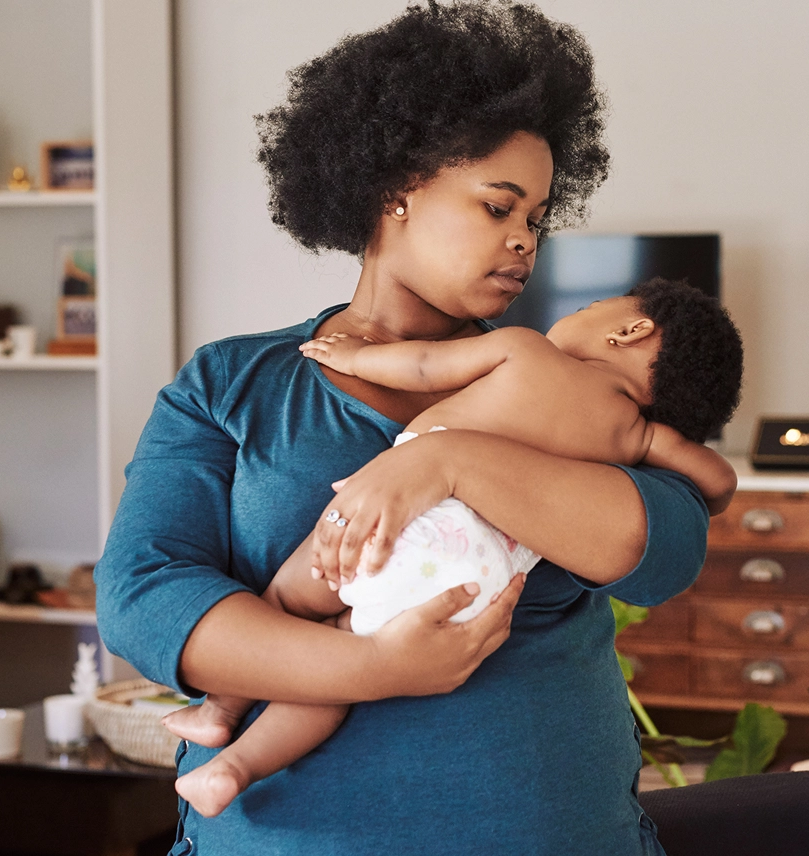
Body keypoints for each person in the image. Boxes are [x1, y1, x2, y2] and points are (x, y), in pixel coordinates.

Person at [95, 0, 728, 855]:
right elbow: (143, 597)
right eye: (498, 207)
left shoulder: (562, 389)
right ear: (396, 189)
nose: (525, 241)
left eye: (537, 218)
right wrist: (374, 668)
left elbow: (665, 548)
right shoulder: (232, 381)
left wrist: (451, 462)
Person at [164, 276, 743, 818]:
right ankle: (234, 769)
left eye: (592, 307)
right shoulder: (635, 435)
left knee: (292, 611)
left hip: (406, 518)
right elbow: (719, 483)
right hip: (478, 573)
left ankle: (222, 711)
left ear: (631, 330)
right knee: (347, 645)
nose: (578, 312)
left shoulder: (525, 349)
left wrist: (354, 357)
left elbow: (421, 365)